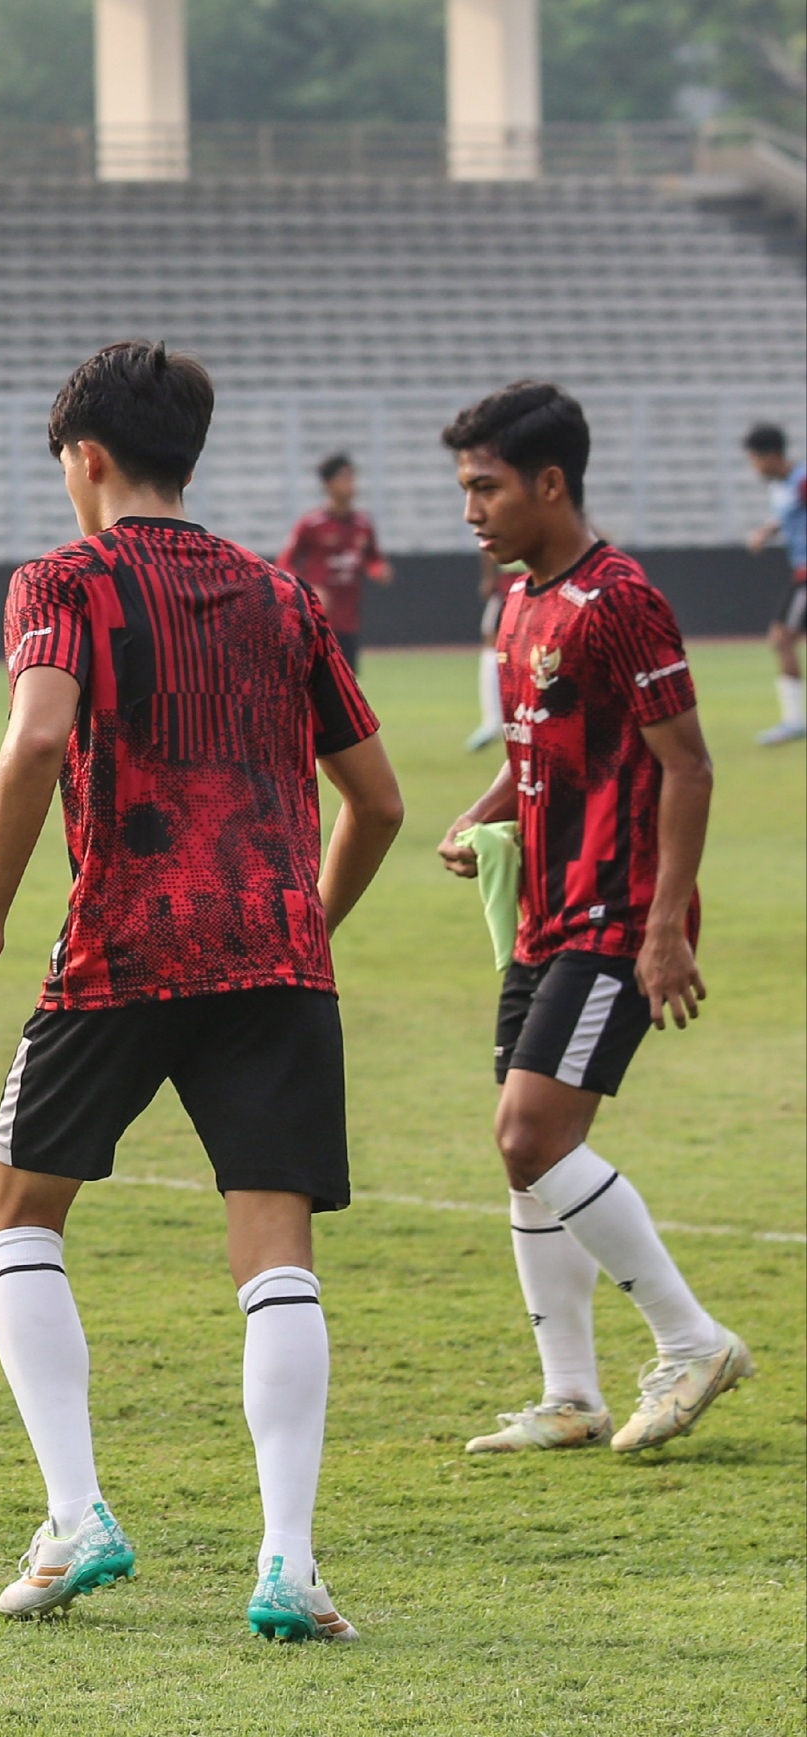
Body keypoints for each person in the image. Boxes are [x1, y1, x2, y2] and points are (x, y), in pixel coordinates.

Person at [0, 341, 403, 1643]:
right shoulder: (282, 593)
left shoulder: (65, 580)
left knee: (17, 1214)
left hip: (125, 943)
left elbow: (36, 736)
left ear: (84, 457)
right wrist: (304, 921)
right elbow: (376, 801)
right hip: (274, 952)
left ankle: (75, 1512)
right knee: (276, 1251)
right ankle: (288, 1563)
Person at [436, 382, 753, 1458]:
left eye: (486, 487)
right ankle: (570, 1396)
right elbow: (532, 750)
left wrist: (665, 929)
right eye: (465, 488)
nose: (470, 510)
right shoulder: (520, 602)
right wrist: (480, 816)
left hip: (616, 917)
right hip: (544, 912)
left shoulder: (620, 600)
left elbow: (688, 768)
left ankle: (693, 1341)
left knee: (531, 1134)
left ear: (550, 482)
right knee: (525, 1154)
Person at [277, 452, 392, 673]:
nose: (351, 484)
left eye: (352, 477)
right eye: (344, 478)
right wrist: (308, 589)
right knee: (314, 680)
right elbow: (284, 563)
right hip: (316, 620)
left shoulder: (363, 524)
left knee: (347, 682)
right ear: (328, 484)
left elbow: (373, 558)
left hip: (349, 619)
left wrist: (379, 570)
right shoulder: (310, 524)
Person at [740, 423, 805, 746]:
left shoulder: (801, 480)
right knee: (781, 639)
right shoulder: (784, 486)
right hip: (801, 573)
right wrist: (768, 531)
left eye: (755, 460)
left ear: (771, 456)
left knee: (781, 638)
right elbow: (790, 515)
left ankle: (794, 722)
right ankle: (794, 721)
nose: (754, 468)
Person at [466, 551, 516, 753]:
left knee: (492, 640)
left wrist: (489, 577)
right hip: (527, 578)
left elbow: (487, 545)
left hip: (514, 583)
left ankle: (493, 722)